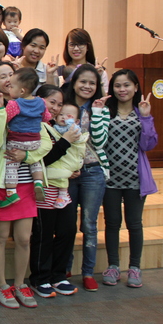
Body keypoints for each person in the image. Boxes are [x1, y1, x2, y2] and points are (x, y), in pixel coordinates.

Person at [0, 74, 51, 309]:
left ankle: (21, 284)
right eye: (3, 77)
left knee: (23, 238)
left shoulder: (33, 108)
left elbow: (45, 142)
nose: (7, 82)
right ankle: (1, 286)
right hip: (2, 183)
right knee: (0, 237)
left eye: (10, 77)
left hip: (27, 184)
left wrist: (27, 155)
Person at [101, 69, 157, 288]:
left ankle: (135, 267)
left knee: (134, 224)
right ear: (112, 88)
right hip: (110, 179)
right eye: (117, 85)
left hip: (136, 179)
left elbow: (148, 144)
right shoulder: (106, 112)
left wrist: (146, 117)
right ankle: (113, 266)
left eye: (126, 85)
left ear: (135, 87)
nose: (122, 89)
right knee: (112, 223)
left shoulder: (140, 112)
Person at [28, 85, 83, 298]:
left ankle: (58, 276)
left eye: (59, 104)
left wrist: (71, 168)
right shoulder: (34, 126)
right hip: (43, 190)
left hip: (62, 191)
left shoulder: (58, 126)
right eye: (52, 102)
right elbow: (42, 159)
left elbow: (72, 154)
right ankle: (40, 278)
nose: (56, 108)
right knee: (43, 236)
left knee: (67, 231)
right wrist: (66, 141)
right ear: (38, 100)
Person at [62, 64, 110, 291]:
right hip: (68, 172)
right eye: (83, 81)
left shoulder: (101, 109)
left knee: (89, 225)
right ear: (74, 83)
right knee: (67, 223)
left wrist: (97, 113)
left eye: (92, 83)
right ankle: (64, 267)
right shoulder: (64, 107)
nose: (87, 86)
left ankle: (88, 272)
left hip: (93, 171)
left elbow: (100, 141)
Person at [0, 68, 51, 208]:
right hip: (35, 141)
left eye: (11, 86)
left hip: (17, 141)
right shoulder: (41, 102)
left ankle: (11, 193)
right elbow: (46, 118)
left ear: (21, 91)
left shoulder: (14, 104)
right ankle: (38, 183)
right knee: (35, 161)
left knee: (11, 164)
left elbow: (5, 120)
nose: (9, 88)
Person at [46, 104, 87, 209]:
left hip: (72, 158)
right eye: (61, 115)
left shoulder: (74, 129)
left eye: (69, 116)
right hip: (62, 160)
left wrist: (70, 122)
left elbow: (72, 133)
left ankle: (63, 195)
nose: (64, 117)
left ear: (77, 121)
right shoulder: (55, 127)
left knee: (62, 175)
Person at [60, 28, 108, 94]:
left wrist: (99, 78)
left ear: (87, 47)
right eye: (72, 45)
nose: (76, 48)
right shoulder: (60, 71)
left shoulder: (99, 72)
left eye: (80, 44)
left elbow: (105, 98)